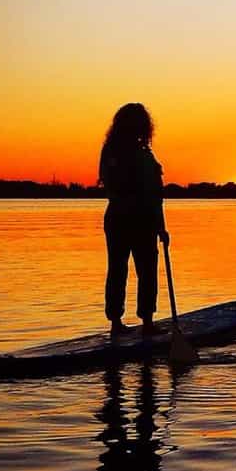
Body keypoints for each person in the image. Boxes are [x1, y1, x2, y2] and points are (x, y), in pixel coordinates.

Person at [98, 103, 169, 338]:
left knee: (144, 271)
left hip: (141, 220)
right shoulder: (115, 152)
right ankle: (119, 322)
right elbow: (115, 185)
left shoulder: (143, 153)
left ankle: (145, 321)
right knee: (120, 270)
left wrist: (161, 227)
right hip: (126, 218)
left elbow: (156, 195)